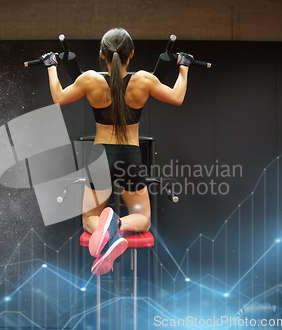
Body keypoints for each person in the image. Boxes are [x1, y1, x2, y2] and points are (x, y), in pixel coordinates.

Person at [43, 28, 193, 275]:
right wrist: (184, 66)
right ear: (131, 54)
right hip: (130, 157)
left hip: (100, 155)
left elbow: (58, 97)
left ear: (102, 55)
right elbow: (177, 97)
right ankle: (118, 224)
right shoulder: (145, 80)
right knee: (143, 218)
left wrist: (51, 65)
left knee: (90, 217)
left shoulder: (89, 79)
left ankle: (108, 231)